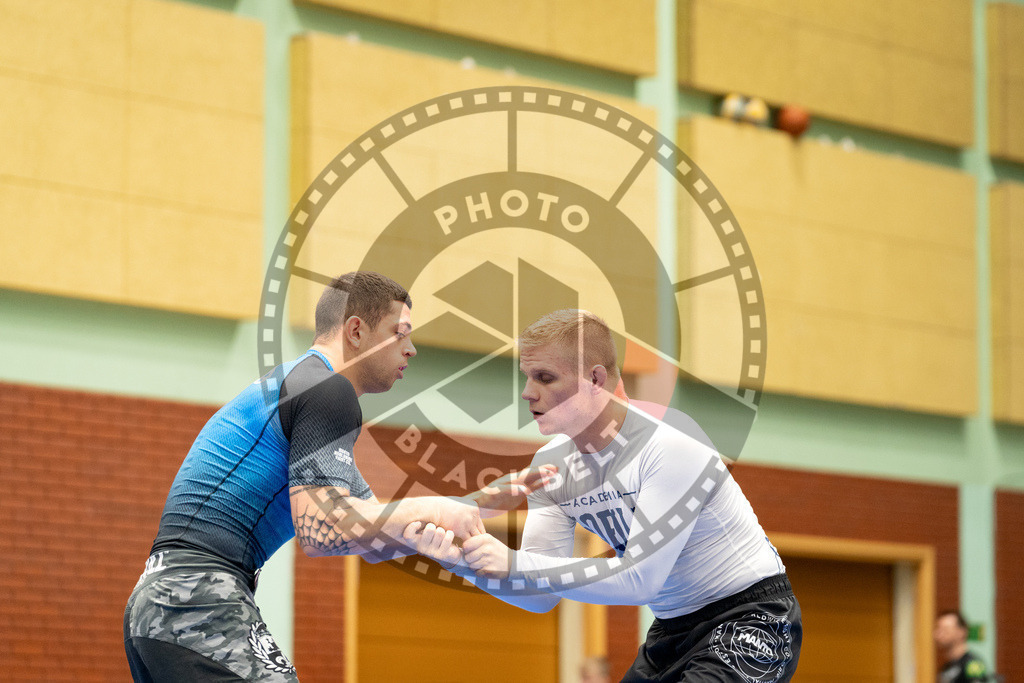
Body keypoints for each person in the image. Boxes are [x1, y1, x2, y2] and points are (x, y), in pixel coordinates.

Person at [124, 271, 553, 682]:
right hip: (195, 597)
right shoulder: (327, 391)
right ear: (355, 331)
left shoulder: (304, 385)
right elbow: (323, 530)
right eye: (399, 332)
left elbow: (367, 528)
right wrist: (431, 509)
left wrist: (479, 502)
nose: (411, 349)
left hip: (166, 600)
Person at [407, 309, 802, 682]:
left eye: (544, 378)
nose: (527, 393)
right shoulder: (552, 467)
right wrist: (465, 564)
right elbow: (540, 595)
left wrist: (513, 562)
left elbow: (639, 580)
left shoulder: (671, 443)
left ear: (595, 380)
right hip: (671, 628)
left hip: (750, 615)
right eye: (526, 376)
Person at [935, 610, 990, 682]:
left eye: (945, 630)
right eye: (938, 629)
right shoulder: (946, 667)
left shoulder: (973, 664)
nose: (938, 634)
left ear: (962, 632)